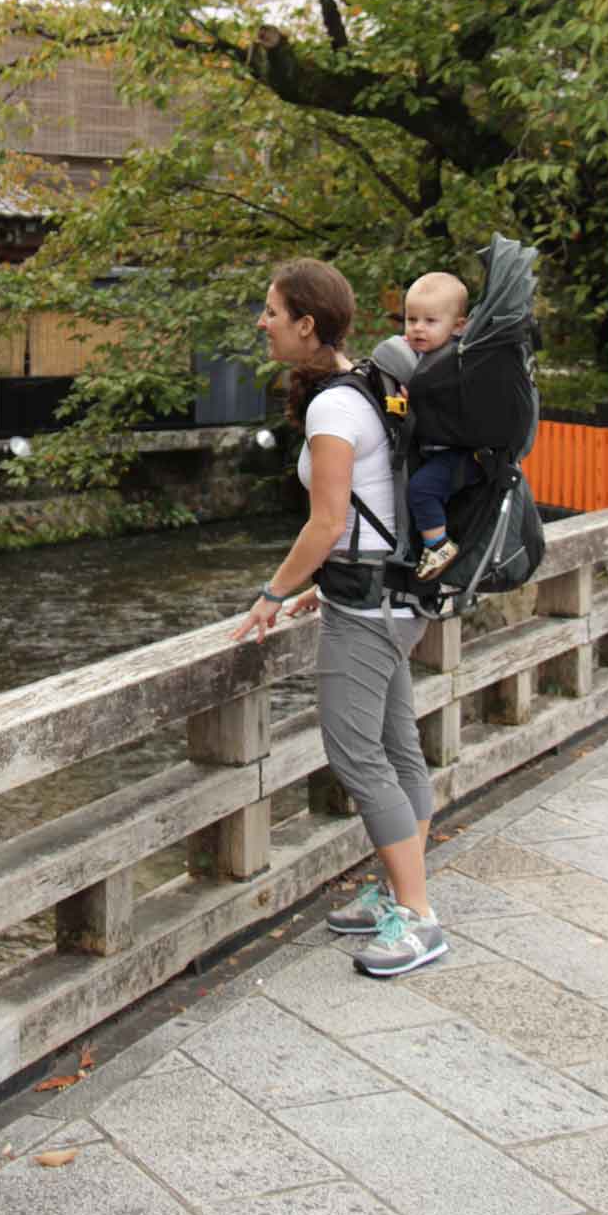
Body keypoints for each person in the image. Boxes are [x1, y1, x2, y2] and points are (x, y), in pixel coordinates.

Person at [233, 257, 447, 977]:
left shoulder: (333, 407)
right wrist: (318, 586)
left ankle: (417, 918)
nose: (262, 323)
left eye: (271, 311)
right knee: (395, 745)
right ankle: (399, 892)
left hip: (369, 608)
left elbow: (325, 523)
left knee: (359, 755)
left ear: (306, 324)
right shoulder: (370, 388)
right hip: (389, 593)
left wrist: (270, 594)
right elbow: (372, 507)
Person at [402, 271, 482, 581]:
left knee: (421, 490)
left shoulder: (454, 364)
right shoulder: (431, 357)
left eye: (430, 321)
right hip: (440, 449)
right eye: (411, 320)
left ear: (458, 326)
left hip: (459, 455)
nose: (418, 328)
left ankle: (438, 545)